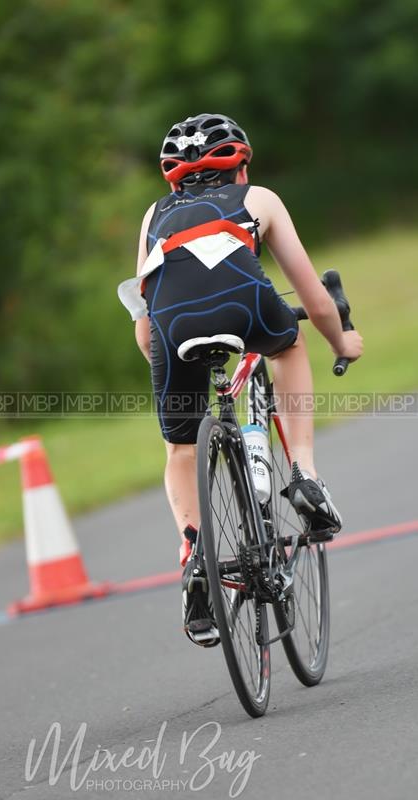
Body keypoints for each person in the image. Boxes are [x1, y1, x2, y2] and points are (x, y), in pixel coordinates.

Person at [118, 113, 363, 645]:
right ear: (241, 167)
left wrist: (172, 369)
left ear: (174, 178)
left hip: (172, 328)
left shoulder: (153, 215)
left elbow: (143, 327)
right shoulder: (261, 200)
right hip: (248, 309)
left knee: (181, 451)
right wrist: (342, 341)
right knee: (289, 344)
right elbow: (315, 300)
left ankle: (195, 555)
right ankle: (303, 473)